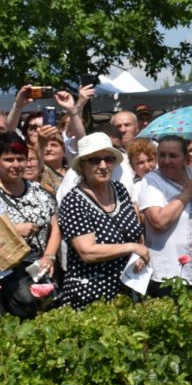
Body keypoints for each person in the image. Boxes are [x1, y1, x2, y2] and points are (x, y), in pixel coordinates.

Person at [56, 132, 148, 310]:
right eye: (95, 160)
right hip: (91, 294)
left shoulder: (119, 190)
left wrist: (139, 253)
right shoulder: (74, 201)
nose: (103, 166)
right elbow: (87, 252)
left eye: (108, 159)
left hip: (127, 288)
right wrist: (133, 247)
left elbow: (134, 229)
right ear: (82, 165)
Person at [0, 133, 59, 317]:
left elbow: (55, 224)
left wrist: (49, 256)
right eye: (9, 159)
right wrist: (13, 231)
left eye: (21, 159)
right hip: (9, 275)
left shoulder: (38, 189)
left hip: (42, 269)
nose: (16, 165)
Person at [138, 135, 192, 296]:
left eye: (173, 156)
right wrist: (188, 193)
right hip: (168, 275)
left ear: (185, 158)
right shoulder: (152, 181)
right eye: (162, 155)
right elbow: (159, 221)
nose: (166, 161)